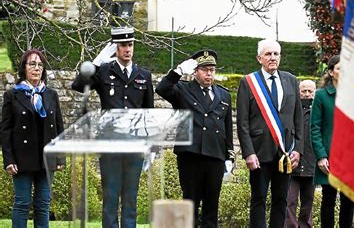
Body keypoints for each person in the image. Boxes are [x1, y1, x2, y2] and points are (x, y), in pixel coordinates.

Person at [71, 27, 154, 228]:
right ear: (115, 48)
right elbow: (78, 85)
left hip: (134, 144)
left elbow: (148, 113)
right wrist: (96, 62)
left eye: (130, 44)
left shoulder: (144, 75)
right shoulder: (104, 71)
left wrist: (150, 145)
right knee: (110, 196)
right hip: (110, 142)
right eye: (123, 45)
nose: (127, 49)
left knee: (130, 197)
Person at [156, 50, 234, 228]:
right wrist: (178, 71)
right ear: (195, 72)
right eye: (204, 69)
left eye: (212, 70)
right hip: (191, 155)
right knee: (190, 203)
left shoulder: (223, 95)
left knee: (211, 205)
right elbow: (162, 89)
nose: (209, 73)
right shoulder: (183, 89)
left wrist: (229, 156)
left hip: (215, 155)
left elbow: (227, 127)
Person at [237, 39, 303, 228]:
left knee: (281, 199)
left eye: (276, 54)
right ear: (259, 58)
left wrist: (298, 148)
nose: (272, 58)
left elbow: (298, 118)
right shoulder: (248, 82)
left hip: (286, 153)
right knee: (258, 198)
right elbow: (242, 123)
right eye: (268, 54)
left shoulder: (291, 80)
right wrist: (248, 152)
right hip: (259, 152)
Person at [1, 49, 65, 228]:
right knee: (22, 204)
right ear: (24, 68)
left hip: (46, 158)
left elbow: (59, 128)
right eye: (32, 64)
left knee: (43, 205)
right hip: (21, 159)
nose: (37, 68)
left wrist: (60, 157)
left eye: (40, 65)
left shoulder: (51, 94)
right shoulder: (12, 95)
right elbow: (5, 131)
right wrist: (8, 160)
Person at [310, 55, 354, 228]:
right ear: (331, 72)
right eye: (339, 68)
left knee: (349, 202)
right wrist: (321, 156)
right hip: (329, 158)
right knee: (328, 200)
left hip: (350, 159)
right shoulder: (321, 96)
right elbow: (314, 128)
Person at [285, 80, 317, 228]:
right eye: (304, 90)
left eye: (310, 91)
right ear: (298, 91)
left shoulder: (318, 113)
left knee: (308, 202)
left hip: (312, 164)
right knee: (289, 201)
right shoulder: (291, 110)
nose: (307, 94)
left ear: (315, 92)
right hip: (293, 163)